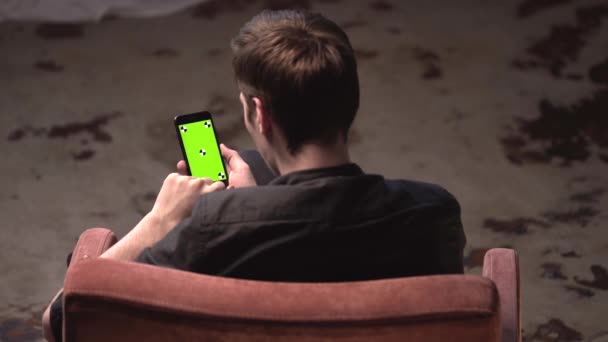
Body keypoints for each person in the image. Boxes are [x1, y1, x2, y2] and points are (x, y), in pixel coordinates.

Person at [49, 9, 466, 339]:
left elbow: (65, 320)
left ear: (258, 113)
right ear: (350, 101)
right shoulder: (432, 212)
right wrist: (249, 203)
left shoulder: (210, 228)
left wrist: (163, 219)